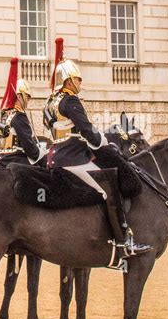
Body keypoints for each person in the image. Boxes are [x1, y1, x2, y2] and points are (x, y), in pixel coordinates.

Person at [43, 37, 152, 267]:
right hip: (72, 157)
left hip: (55, 155)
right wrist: (102, 140)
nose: (80, 82)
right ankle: (124, 242)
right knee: (108, 188)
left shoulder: (51, 103)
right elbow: (86, 130)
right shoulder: (70, 100)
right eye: (77, 78)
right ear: (69, 81)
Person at [0, 58, 46, 165]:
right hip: (17, 159)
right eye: (27, 96)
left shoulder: (7, 116)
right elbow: (27, 145)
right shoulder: (19, 117)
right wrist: (40, 154)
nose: (28, 100)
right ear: (19, 96)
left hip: (5, 157)